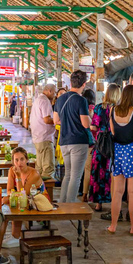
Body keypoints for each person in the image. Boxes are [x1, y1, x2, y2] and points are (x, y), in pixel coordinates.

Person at [107, 85, 133, 235]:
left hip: (118, 151)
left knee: (117, 191)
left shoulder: (113, 110)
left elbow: (113, 132)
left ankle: (113, 225)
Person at [53, 70, 91, 203]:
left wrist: (68, 121)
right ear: (84, 84)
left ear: (71, 82)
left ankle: (63, 203)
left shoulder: (61, 98)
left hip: (64, 141)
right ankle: (70, 206)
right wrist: (90, 119)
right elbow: (85, 124)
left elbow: (56, 120)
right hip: (78, 141)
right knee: (76, 176)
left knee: (68, 174)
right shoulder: (81, 100)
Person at [89, 83, 121, 213]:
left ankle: (98, 204)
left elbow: (93, 127)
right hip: (116, 144)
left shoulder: (98, 108)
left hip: (101, 144)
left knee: (99, 172)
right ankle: (115, 203)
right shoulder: (120, 109)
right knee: (113, 174)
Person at [4, 147, 45, 240]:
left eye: (22, 159)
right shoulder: (12, 170)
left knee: (19, 203)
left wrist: (18, 177)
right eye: (16, 160)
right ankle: (10, 234)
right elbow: (9, 190)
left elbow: (23, 194)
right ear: (13, 161)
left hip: (37, 199)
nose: (19, 163)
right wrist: (14, 194)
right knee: (5, 200)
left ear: (27, 160)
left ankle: (15, 235)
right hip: (23, 197)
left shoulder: (34, 173)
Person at [30, 83, 56, 180]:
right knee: (47, 170)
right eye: (54, 92)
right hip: (44, 138)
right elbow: (47, 119)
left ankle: (39, 191)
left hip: (38, 137)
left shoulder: (38, 99)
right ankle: (46, 194)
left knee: (40, 169)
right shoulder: (45, 101)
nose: (55, 95)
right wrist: (57, 120)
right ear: (49, 91)